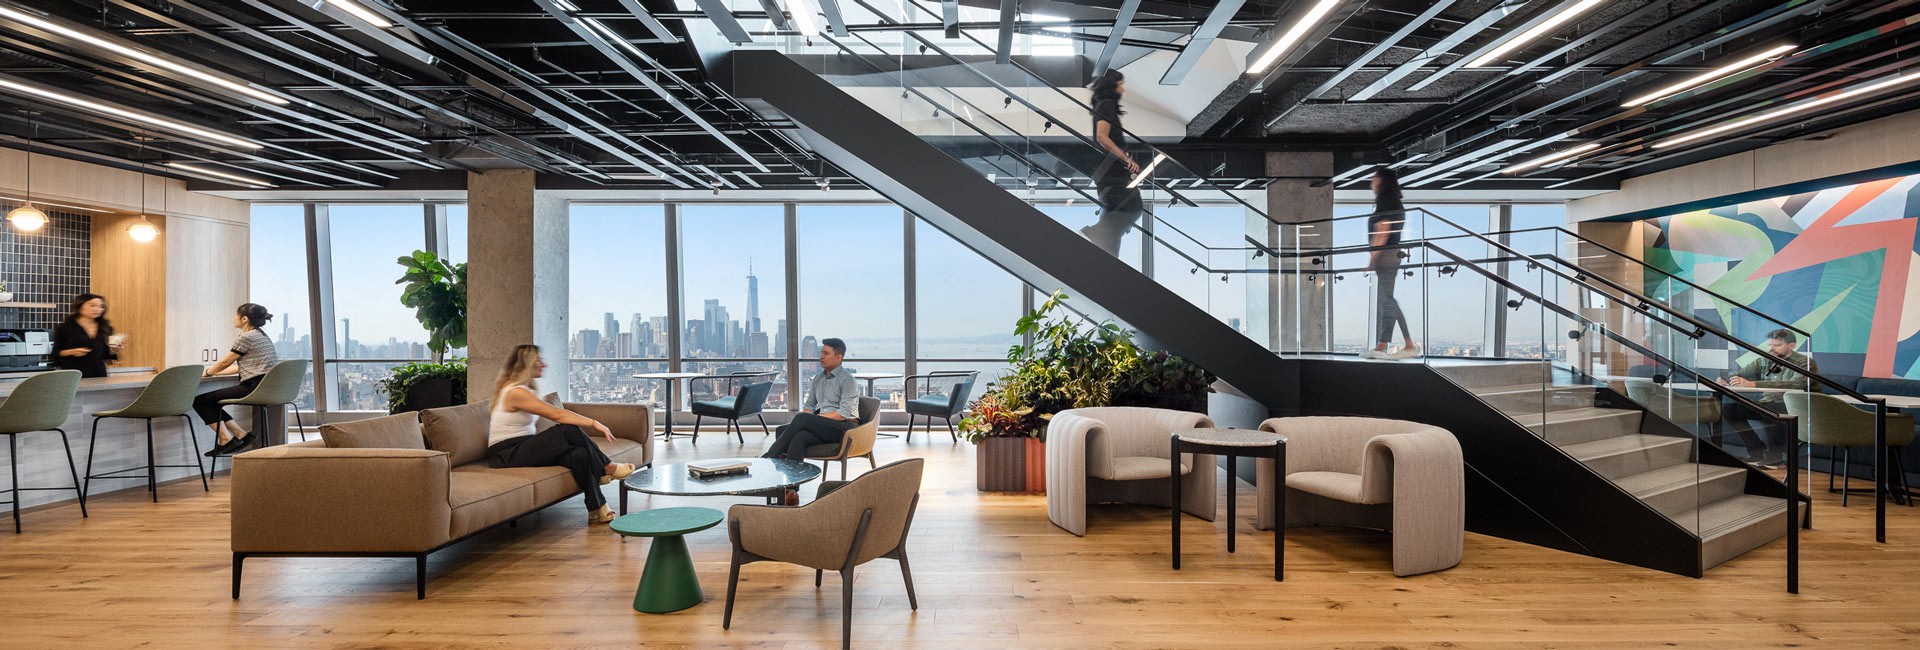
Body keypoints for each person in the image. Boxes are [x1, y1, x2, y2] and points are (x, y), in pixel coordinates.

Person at [485, 344, 635, 524]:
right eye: (539, 360)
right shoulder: (514, 392)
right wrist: (594, 423)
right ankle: (607, 467)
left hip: (521, 446)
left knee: (578, 455)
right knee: (568, 429)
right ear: (527, 364)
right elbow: (556, 414)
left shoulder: (525, 391)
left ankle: (597, 508)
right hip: (506, 453)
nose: (544, 365)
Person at [1720, 328, 1820, 467]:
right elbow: (1740, 373)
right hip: (1767, 402)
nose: (1772, 348)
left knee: (1773, 410)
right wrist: (1725, 378)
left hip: (1797, 405)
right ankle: (1756, 450)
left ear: (1791, 346)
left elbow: (1796, 384)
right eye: (1770, 345)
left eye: (1777, 345)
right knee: (1729, 409)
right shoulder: (1764, 360)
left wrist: (1754, 384)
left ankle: (1775, 457)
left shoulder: (1805, 362)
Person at [763, 338, 861, 473]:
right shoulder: (818, 379)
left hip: (845, 428)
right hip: (825, 427)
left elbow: (843, 414)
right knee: (794, 435)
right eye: (821, 352)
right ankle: (792, 489)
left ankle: (771, 455)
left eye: (826, 354)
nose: (821, 356)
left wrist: (814, 419)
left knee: (802, 418)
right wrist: (812, 420)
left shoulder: (848, 380)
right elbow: (809, 406)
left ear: (839, 357)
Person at [1078, 69, 1144, 256]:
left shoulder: (1104, 105)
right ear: (1111, 84)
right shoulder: (1106, 104)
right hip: (1111, 169)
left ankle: (1110, 257)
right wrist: (1126, 158)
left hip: (1106, 169)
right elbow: (1102, 137)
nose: (1122, 88)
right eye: (1120, 83)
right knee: (1134, 209)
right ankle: (1092, 233)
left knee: (1115, 212)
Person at [201, 304, 281, 455]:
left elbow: (225, 362)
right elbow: (241, 366)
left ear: (244, 319)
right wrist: (214, 373)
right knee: (212, 402)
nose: (234, 318)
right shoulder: (261, 335)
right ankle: (241, 435)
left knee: (200, 401)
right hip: (266, 387)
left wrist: (207, 372)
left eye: (235, 315)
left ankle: (226, 439)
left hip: (253, 386)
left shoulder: (246, 337)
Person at [1359, 167, 1420, 360]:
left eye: (1374, 179)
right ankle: (1382, 344)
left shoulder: (1386, 201)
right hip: (1391, 255)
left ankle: (1408, 344)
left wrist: (1371, 260)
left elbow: (1382, 232)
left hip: (1386, 255)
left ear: (1383, 181)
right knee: (1386, 300)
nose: (1371, 182)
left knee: (1387, 300)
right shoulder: (1393, 202)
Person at [53, 293, 122, 378]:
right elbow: (55, 353)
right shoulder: (65, 327)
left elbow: (105, 354)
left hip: (98, 373)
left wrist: (114, 349)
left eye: (101, 306)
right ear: (80, 307)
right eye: (92, 305)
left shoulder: (105, 327)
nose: (97, 309)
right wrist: (72, 352)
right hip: (73, 373)